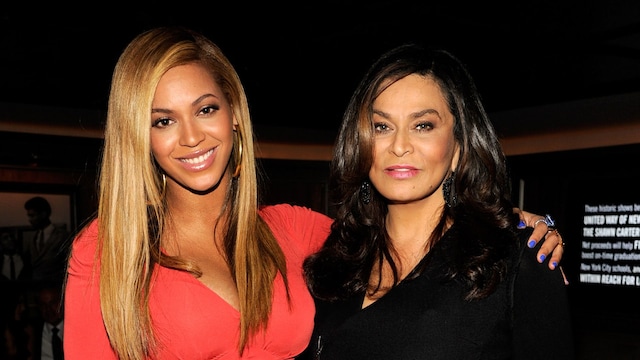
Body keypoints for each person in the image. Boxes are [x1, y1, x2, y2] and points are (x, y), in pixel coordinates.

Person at [63, 27, 564, 360]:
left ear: (234, 114)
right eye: (164, 121)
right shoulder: (110, 248)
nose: (191, 136)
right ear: (139, 134)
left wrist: (509, 223)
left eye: (207, 109)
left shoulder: (294, 232)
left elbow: (407, 245)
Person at [300, 44, 573, 359]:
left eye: (423, 125)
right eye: (381, 127)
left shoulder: (515, 262)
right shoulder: (335, 257)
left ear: (458, 146)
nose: (400, 145)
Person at [23, 197, 70, 283]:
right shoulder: (32, 238)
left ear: (43, 214)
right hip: (35, 287)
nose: (30, 220)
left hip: (55, 286)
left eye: (32, 215)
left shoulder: (62, 236)